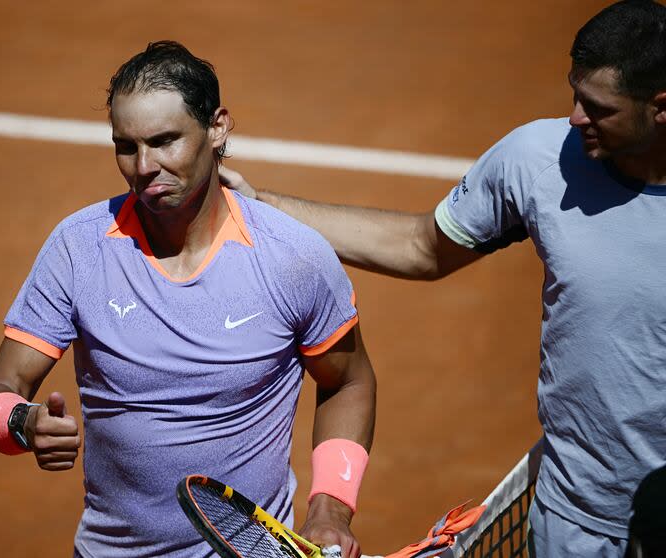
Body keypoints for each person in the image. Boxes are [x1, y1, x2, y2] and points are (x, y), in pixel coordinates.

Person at [220, 1, 666, 556]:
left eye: (598, 107)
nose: (575, 116)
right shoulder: (537, 160)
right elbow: (421, 247)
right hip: (573, 521)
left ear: (660, 107)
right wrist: (263, 206)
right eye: (574, 92)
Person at [0, 41, 376, 558]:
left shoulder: (292, 257)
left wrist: (330, 509)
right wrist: (20, 423)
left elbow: (349, 380)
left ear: (218, 127)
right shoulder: (78, 248)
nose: (144, 166)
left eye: (165, 141)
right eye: (126, 146)